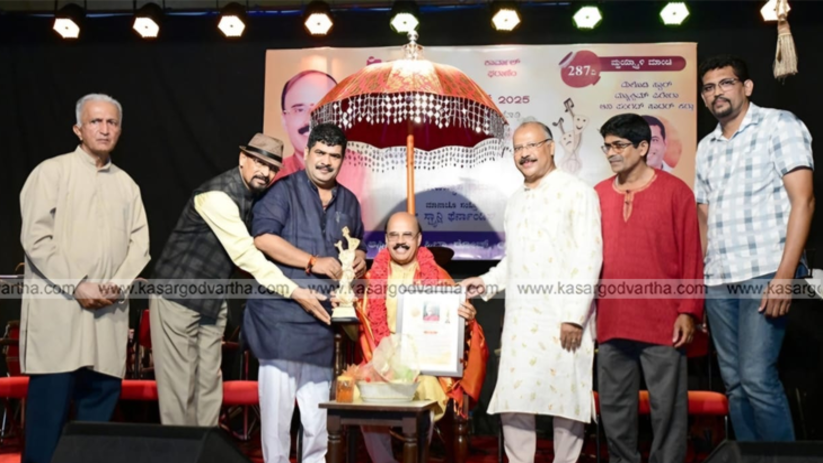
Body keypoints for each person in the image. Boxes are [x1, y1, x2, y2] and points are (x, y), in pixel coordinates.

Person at [149, 133, 327, 427]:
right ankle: (180, 452)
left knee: (208, 387)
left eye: (271, 167)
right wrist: (296, 292)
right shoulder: (217, 195)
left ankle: (203, 451)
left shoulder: (255, 197)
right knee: (179, 392)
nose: (265, 172)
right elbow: (246, 254)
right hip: (176, 296)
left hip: (211, 300)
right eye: (258, 162)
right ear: (243, 159)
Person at [461, 120, 603, 463]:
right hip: (522, 322)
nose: (525, 154)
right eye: (518, 149)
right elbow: (515, 260)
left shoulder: (578, 191)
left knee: (566, 404)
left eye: (532, 145)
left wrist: (574, 316)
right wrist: (486, 281)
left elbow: (589, 255)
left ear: (551, 147)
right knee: (515, 401)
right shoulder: (515, 201)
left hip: (563, 320)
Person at [19, 93, 150, 463]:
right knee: (47, 429)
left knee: (95, 431)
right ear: (78, 128)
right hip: (60, 317)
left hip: (106, 318)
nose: (104, 129)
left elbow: (140, 244)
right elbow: (35, 238)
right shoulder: (51, 172)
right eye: (96, 121)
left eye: (111, 123)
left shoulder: (127, 185)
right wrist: (77, 283)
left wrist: (115, 285)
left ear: (120, 130)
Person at [696, 54, 814, 441]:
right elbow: (704, 217)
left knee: (757, 378)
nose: (717, 93)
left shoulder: (780, 124)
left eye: (726, 83)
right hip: (719, 279)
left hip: (766, 271)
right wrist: (701, 281)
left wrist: (784, 276)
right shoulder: (706, 146)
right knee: (734, 383)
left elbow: (804, 201)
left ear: (746, 87)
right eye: (709, 87)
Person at [247, 123, 366, 463]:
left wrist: (359, 259)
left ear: (343, 160)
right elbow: (264, 239)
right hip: (279, 323)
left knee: (317, 425)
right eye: (321, 153)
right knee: (277, 423)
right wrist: (312, 261)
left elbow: (357, 247)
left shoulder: (349, 201)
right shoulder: (282, 191)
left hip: (322, 326)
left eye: (335, 156)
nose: (326, 161)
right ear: (307, 152)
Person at [595, 114, 703, 463]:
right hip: (611, 321)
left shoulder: (676, 192)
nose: (611, 153)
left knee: (668, 408)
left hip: (663, 321)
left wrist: (688, 310)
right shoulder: (595, 195)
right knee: (614, 407)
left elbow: (691, 254)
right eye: (607, 146)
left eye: (619, 145)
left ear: (643, 148)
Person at [353, 212, 488, 463]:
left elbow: (460, 328)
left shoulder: (438, 276)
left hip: (426, 365)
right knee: (362, 394)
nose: (400, 241)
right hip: (381, 359)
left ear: (419, 239)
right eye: (394, 235)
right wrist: (346, 306)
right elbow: (357, 331)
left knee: (423, 390)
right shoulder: (370, 280)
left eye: (407, 235)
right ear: (386, 240)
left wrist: (467, 318)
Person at [273, 70, 370, 204]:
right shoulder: (272, 175)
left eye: (322, 108)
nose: (310, 119)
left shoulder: (365, 172)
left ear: (339, 116)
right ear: (284, 120)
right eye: (299, 109)